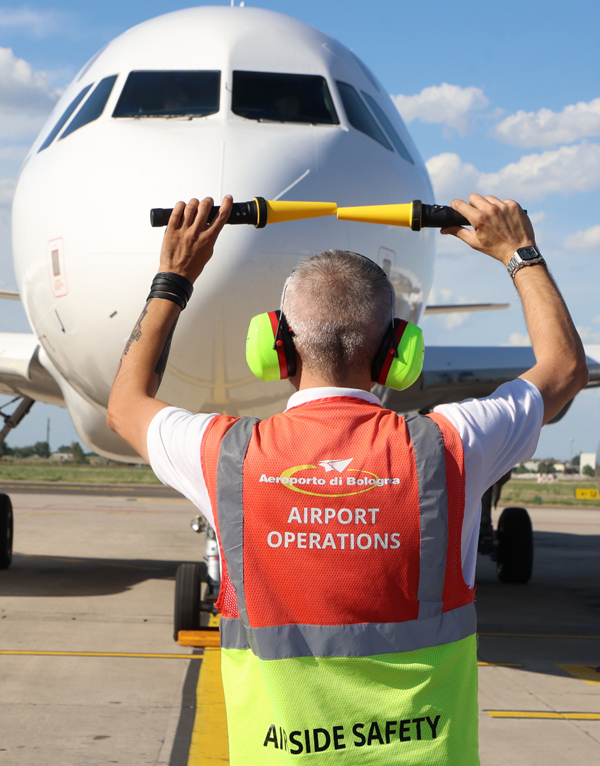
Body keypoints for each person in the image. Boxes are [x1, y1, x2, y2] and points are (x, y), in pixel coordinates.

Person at [107, 193, 588, 765]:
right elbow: (563, 368)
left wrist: (174, 276)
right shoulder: (449, 446)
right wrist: (519, 253)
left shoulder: (228, 458)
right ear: (397, 352)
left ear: (275, 347)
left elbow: (125, 404)